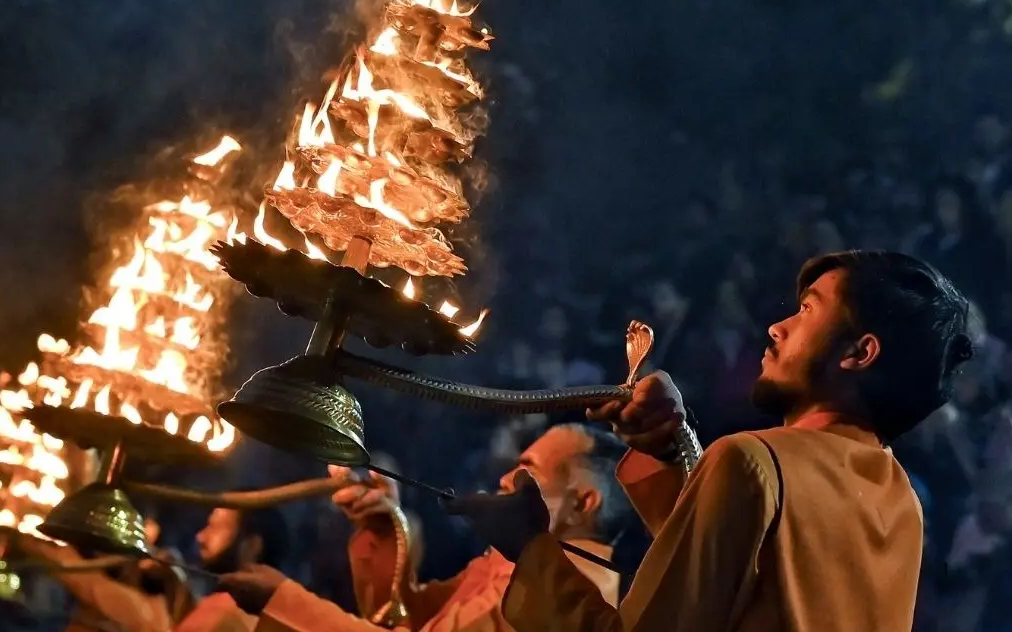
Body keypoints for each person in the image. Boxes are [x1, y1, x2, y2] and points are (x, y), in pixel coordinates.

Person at [446, 250, 974, 632]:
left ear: (859, 354)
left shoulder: (753, 461)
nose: (776, 326)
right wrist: (671, 444)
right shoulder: (899, 499)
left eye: (808, 310)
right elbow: (753, 587)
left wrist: (531, 548)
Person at [218, 424, 625, 631]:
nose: (506, 480)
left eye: (527, 469)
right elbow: (406, 616)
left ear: (583, 502)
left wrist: (280, 600)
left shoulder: (569, 596)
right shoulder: (523, 566)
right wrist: (382, 526)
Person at [21, 505, 289, 631]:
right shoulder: (220, 604)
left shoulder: (241, 620)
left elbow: (143, 619)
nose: (201, 536)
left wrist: (47, 550)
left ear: (251, 545)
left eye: (216, 526)